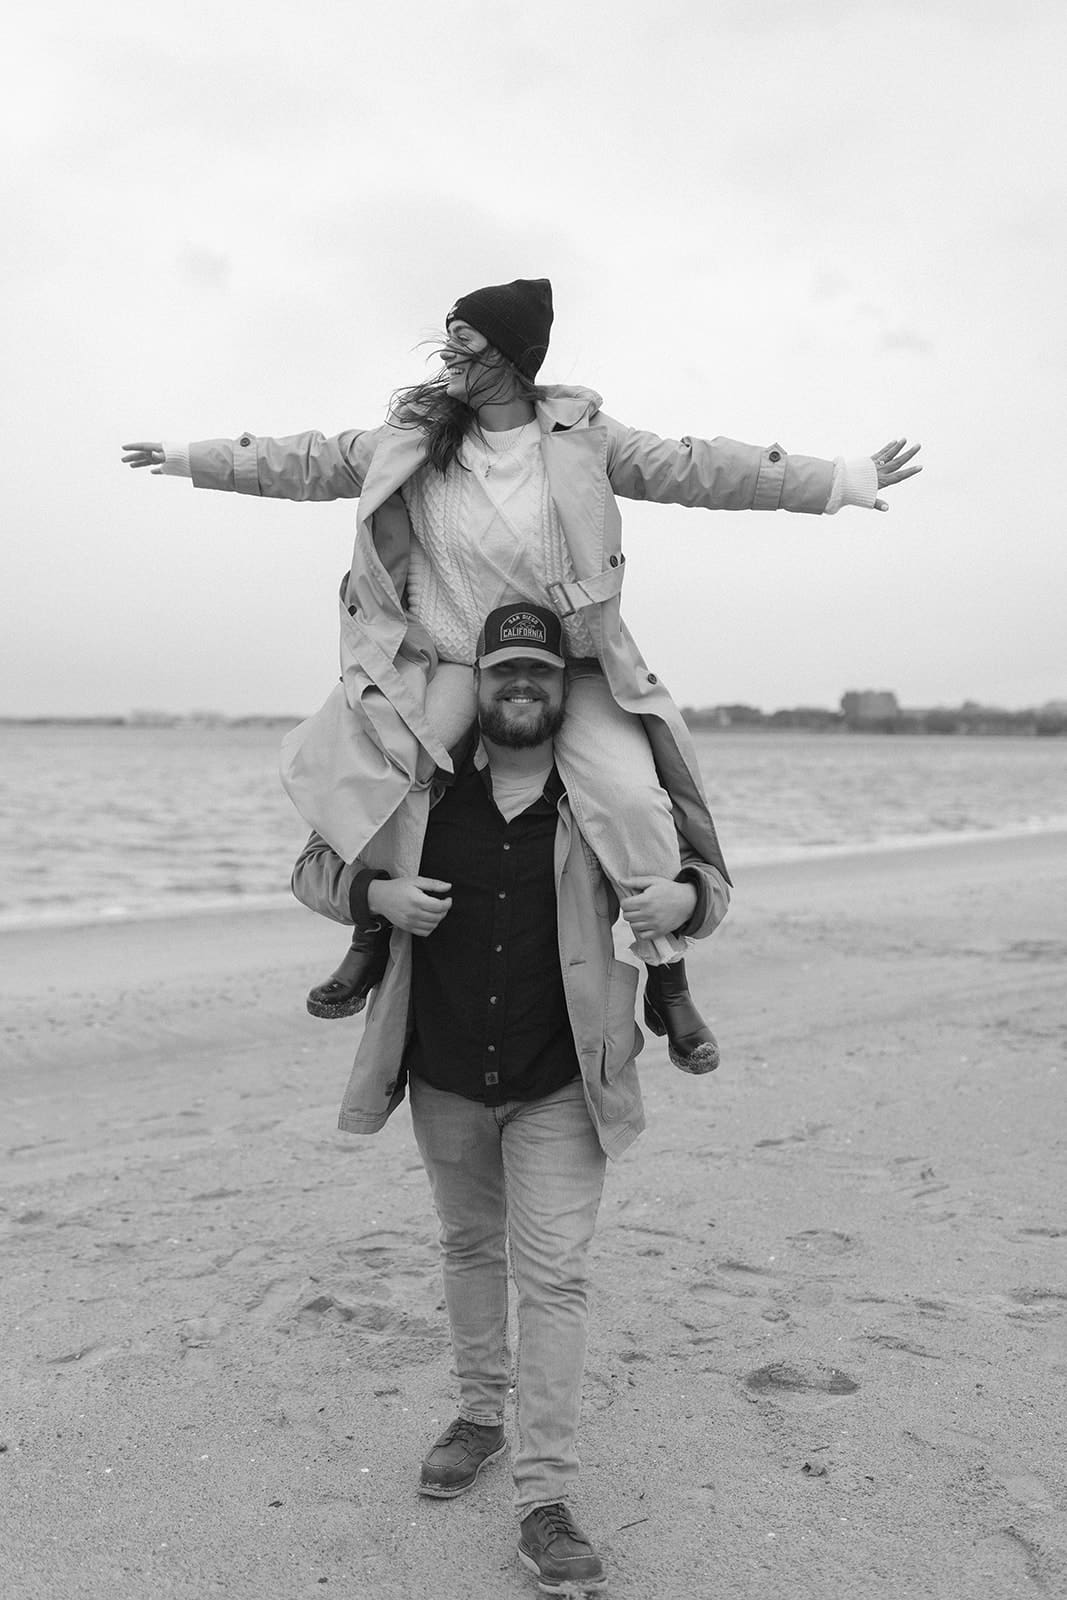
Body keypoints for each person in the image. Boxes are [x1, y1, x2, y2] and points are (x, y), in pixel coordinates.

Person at [122, 276, 920, 1072]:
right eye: (446, 339)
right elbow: (306, 460)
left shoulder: (584, 438)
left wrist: (840, 482)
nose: (448, 355)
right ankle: (372, 932)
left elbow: (702, 468)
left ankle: (667, 972)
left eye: (463, 340)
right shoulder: (409, 439)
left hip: (565, 662)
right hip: (450, 658)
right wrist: (193, 456)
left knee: (632, 799)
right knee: (377, 775)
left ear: (509, 354)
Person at [288, 600, 730, 1594]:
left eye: (538, 670)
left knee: (555, 1276)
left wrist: (688, 902)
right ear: (476, 687)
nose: (520, 684)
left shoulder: (599, 804)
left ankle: (545, 1496)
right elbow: (312, 866)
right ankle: (480, 1414)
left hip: (561, 1083)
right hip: (442, 1072)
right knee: (465, 1246)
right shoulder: (421, 798)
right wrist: (375, 899)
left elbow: (709, 879)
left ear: (559, 689)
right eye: (503, 671)